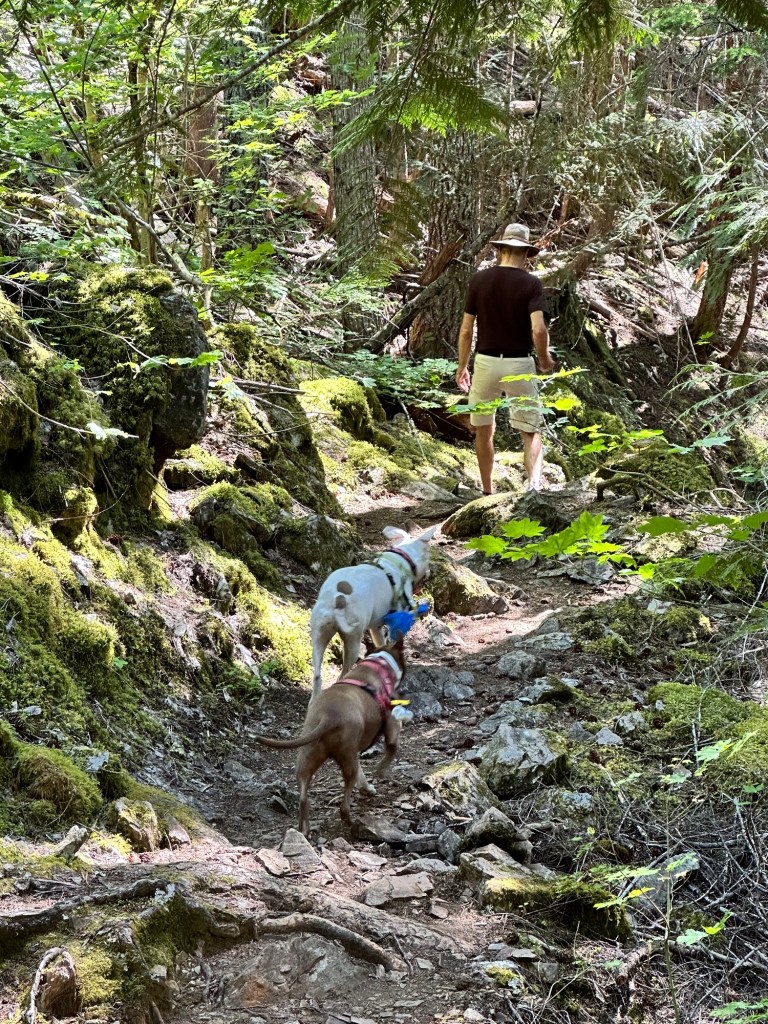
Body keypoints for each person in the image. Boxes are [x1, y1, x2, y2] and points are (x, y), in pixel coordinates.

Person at [455, 222, 554, 494]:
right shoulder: (531, 284)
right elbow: (538, 329)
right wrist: (544, 359)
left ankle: (487, 491)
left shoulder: (479, 280)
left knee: (483, 428)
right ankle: (533, 489)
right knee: (530, 431)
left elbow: (466, 330)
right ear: (526, 253)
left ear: (501, 250)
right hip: (519, 363)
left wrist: (463, 366)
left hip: (485, 362)